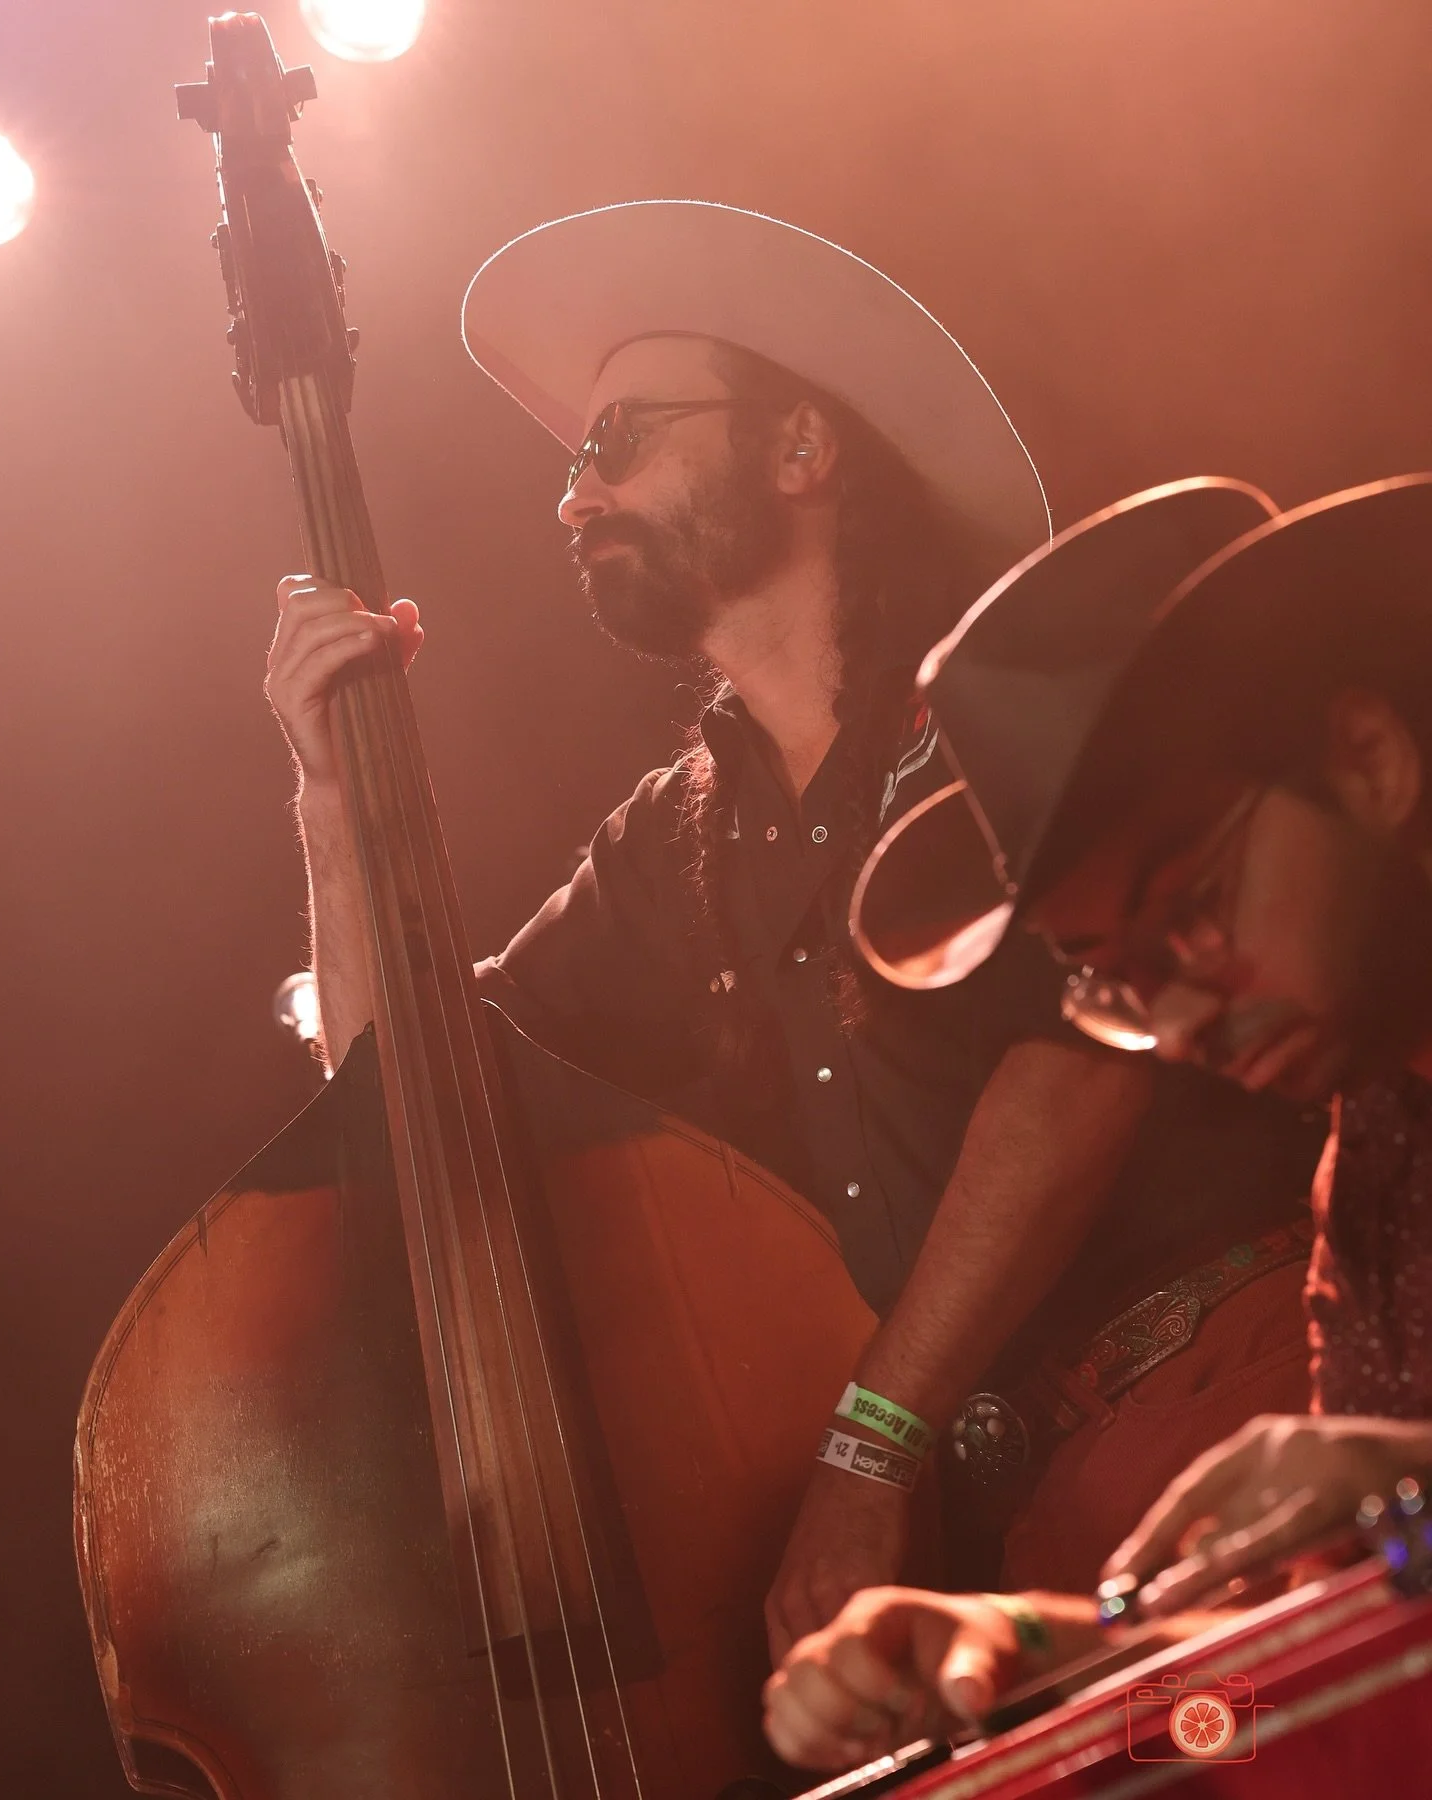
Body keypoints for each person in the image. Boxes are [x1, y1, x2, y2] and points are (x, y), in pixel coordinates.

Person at [263, 202, 1321, 1660]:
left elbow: (1077, 1064)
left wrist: (866, 1448)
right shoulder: (677, 835)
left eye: (617, 440)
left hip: (1234, 1388)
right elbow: (417, 1105)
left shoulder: (1007, 709)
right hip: (1014, 1523)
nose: (573, 499)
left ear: (800, 450)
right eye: (573, 460)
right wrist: (331, 802)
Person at [766, 473, 1432, 1770]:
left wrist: (1413, 1478)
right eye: (1115, 982)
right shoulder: (1375, 1158)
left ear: (1369, 762)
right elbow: (1344, 1660)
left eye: (1191, 908)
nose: (1178, 1022)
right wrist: (1050, 1662)